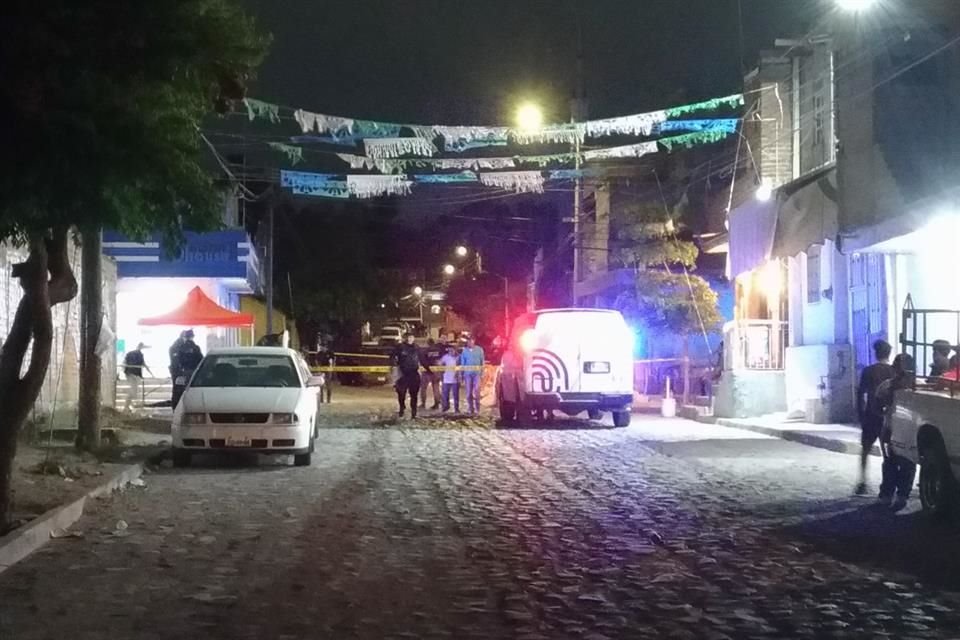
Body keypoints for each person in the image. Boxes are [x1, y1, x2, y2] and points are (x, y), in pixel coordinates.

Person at [876, 353, 918, 510]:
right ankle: (896, 495)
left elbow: (877, 406)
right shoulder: (913, 386)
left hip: (898, 429)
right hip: (894, 429)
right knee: (897, 462)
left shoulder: (914, 386)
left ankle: (893, 495)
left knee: (897, 463)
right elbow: (878, 405)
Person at [855, 339, 895, 496]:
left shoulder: (869, 371)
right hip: (888, 416)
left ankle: (863, 481)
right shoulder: (893, 372)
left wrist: (860, 413)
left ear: (876, 353)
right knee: (888, 453)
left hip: (871, 414)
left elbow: (861, 393)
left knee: (865, 450)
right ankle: (889, 483)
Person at [391, 333, 427, 419]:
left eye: (412, 337)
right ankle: (401, 408)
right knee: (401, 393)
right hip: (403, 374)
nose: (410, 339)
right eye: (409, 337)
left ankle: (414, 412)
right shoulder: (400, 347)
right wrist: (394, 364)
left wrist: (428, 369)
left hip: (414, 374)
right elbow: (392, 356)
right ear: (406, 338)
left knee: (414, 395)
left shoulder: (417, 348)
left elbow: (422, 359)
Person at [172, 329, 203, 408]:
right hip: (194, 372)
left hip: (183, 372)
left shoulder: (179, 347)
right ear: (192, 337)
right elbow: (201, 359)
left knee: (181, 391)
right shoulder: (196, 347)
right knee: (192, 390)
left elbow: (177, 360)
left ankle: (180, 406)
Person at [122, 342, 153, 413]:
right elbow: (144, 364)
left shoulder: (130, 353)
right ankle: (126, 407)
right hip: (134, 374)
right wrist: (151, 374)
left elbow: (124, 363)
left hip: (129, 374)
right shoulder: (139, 355)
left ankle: (128, 406)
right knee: (133, 391)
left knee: (133, 391)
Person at [458, 335, 485, 415]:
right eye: (468, 341)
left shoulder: (479, 350)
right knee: (468, 392)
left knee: (477, 391)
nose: (469, 342)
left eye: (471, 340)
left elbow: (482, 361)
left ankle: (477, 409)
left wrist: (482, 373)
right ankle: (470, 408)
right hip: (467, 374)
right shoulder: (464, 351)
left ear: (474, 341)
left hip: (477, 374)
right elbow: (463, 363)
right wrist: (461, 375)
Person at [419, 338, 443, 410]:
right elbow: (441, 360)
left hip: (427, 372)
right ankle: (436, 404)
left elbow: (422, 361)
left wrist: (428, 369)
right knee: (436, 388)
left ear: (428, 343)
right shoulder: (438, 350)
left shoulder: (425, 351)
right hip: (436, 371)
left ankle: (423, 404)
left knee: (423, 388)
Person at [440, 344, 460, 413]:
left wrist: (458, 375)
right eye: (449, 350)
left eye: (452, 350)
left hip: (455, 379)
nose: (451, 351)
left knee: (456, 395)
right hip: (446, 378)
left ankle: (456, 408)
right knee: (445, 394)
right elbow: (440, 363)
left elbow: (460, 366)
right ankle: (445, 407)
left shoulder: (458, 357)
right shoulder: (445, 357)